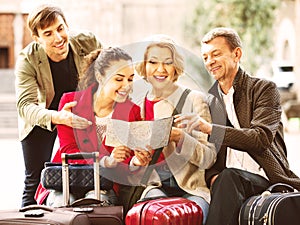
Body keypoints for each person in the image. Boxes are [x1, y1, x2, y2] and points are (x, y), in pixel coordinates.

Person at [174, 27, 300, 225]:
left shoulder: (264, 89)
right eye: (205, 57)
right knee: (225, 178)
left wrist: (209, 128)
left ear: (237, 54)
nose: (210, 62)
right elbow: (210, 154)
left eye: (216, 54)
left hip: (265, 177)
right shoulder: (210, 100)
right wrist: (212, 177)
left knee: (229, 177)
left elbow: (260, 138)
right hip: (227, 183)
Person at [34, 47, 151, 206]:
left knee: (96, 201)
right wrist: (106, 160)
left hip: (105, 185)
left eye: (130, 79)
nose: (126, 86)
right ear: (100, 76)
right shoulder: (71, 103)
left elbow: (126, 165)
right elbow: (69, 150)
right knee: (63, 202)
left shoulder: (132, 112)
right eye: (119, 79)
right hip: (65, 179)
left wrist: (134, 162)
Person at [15, 4, 102, 207]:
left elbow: (111, 68)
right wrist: (57, 116)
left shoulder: (87, 41)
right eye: (48, 33)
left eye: (60, 28)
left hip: (81, 111)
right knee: (35, 179)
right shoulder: (27, 59)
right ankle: (29, 217)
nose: (58, 38)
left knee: (92, 169)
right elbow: (25, 106)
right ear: (37, 38)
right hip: (44, 115)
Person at [128, 34, 217, 224]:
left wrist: (181, 137)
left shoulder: (194, 99)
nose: (160, 69)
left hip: (191, 189)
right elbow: (133, 162)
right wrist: (138, 159)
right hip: (155, 186)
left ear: (175, 66)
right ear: (144, 66)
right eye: (153, 62)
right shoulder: (139, 105)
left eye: (167, 63)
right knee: (152, 214)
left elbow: (209, 158)